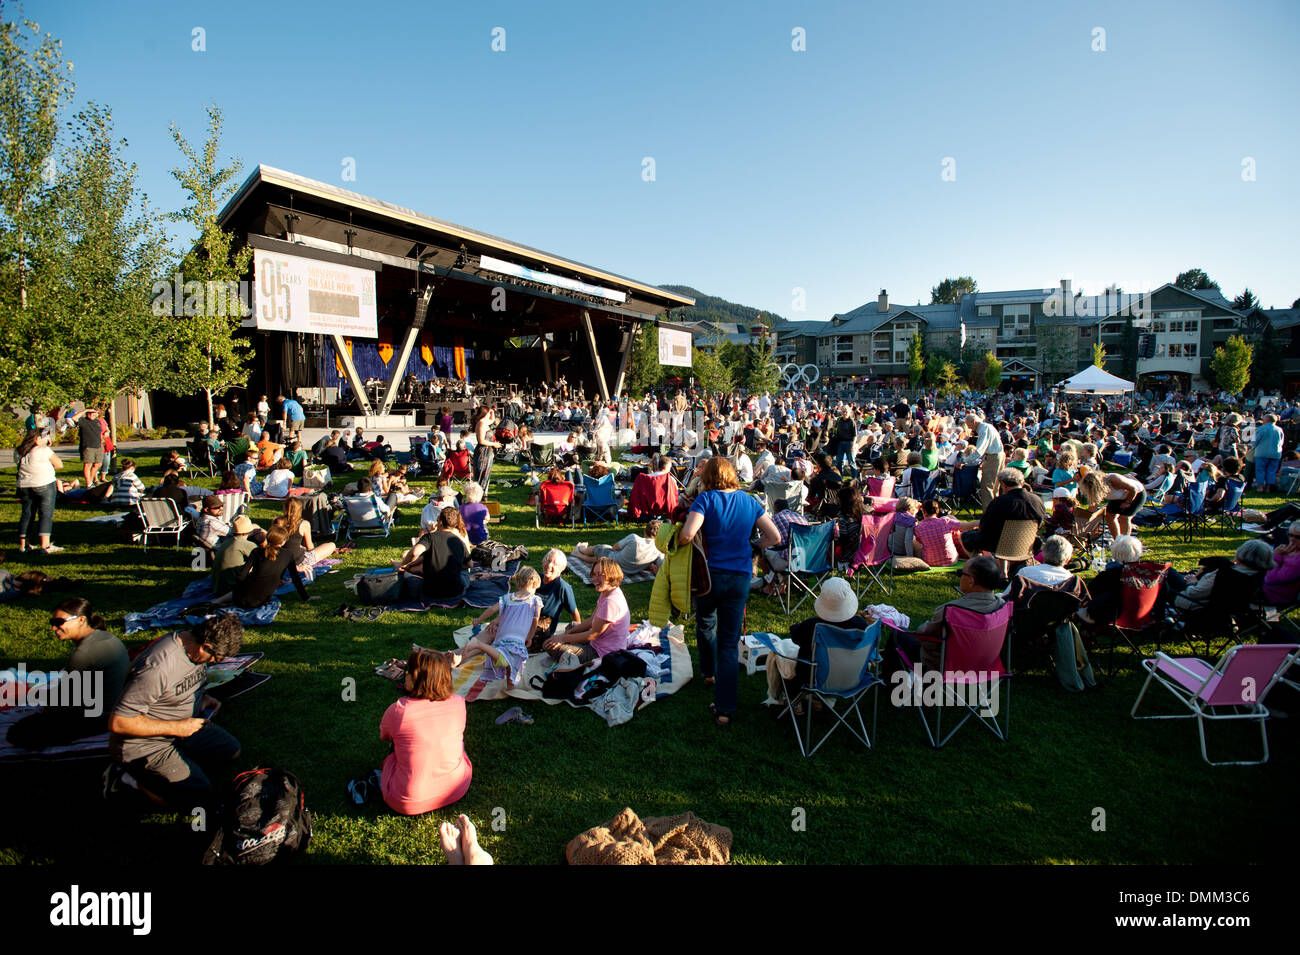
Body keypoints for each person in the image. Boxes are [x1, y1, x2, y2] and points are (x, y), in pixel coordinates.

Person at [678, 457, 781, 725]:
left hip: (710, 575)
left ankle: (708, 672)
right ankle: (724, 707)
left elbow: (688, 534)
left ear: (708, 477)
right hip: (739, 577)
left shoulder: (706, 500)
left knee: (705, 623)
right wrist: (753, 547)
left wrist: (674, 539)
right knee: (728, 641)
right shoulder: (749, 501)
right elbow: (775, 537)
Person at [106, 615, 244, 809]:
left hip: (185, 727)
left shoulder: (194, 648)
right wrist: (177, 727)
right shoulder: (157, 667)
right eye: (215, 658)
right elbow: (118, 722)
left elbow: (186, 682)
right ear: (205, 646)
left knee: (231, 751)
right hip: (146, 744)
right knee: (199, 798)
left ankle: (178, 764)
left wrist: (202, 698)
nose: (213, 662)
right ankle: (125, 779)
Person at [6, 598, 130, 749]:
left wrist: (33, 696)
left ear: (81, 620)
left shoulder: (83, 654)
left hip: (99, 718)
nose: (54, 628)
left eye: (59, 622)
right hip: (116, 707)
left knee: (17, 733)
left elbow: (61, 699)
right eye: (52, 623)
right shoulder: (107, 637)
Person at [378, 648, 472, 816]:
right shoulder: (459, 702)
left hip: (406, 801)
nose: (405, 675)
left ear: (415, 679)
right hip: (458, 788)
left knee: (393, 754)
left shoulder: (399, 711)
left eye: (408, 672)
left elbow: (384, 736)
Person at [891, 555, 1005, 672]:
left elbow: (924, 634)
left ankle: (891, 685)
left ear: (971, 581)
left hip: (946, 666)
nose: (959, 577)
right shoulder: (1003, 607)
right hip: (986, 666)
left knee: (897, 634)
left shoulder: (952, 611)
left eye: (961, 573)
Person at [786, 577, 873, 714]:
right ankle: (819, 701)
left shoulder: (813, 626)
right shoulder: (862, 626)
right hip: (854, 677)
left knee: (786, 657)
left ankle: (795, 700)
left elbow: (795, 634)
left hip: (816, 680)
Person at [457, 567, 542, 685]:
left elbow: (492, 609)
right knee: (507, 661)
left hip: (502, 636)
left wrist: (479, 619)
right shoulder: (535, 600)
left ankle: (510, 687)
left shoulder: (508, 598)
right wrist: (530, 637)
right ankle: (479, 644)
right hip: (516, 639)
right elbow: (535, 622)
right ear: (533, 584)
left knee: (511, 665)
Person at [542, 557, 631, 664]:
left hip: (602, 653)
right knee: (572, 626)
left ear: (612, 575)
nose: (594, 578)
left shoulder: (611, 602)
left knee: (548, 646)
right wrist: (569, 634)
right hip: (596, 643)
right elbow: (591, 620)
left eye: (600, 574)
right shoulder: (607, 592)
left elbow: (593, 634)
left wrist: (563, 638)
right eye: (593, 574)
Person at [961, 468, 1046, 555]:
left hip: (999, 544)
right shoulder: (1037, 500)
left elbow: (985, 526)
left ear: (1003, 484)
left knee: (966, 536)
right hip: (1027, 542)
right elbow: (1039, 523)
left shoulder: (999, 502)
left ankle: (982, 565)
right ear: (1022, 482)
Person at [397, 507, 471, 601]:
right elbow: (469, 564)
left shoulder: (429, 538)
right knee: (464, 574)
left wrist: (404, 563)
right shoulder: (458, 541)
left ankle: (401, 567)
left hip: (430, 593)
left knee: (411, 579)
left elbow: (415, 552)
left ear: (440, 522)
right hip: (455, 594)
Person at [17, 428, 64, 554]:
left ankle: (23, 545)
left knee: (27, 514)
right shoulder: (43, 450)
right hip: (44, 483)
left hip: (24, 485)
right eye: (46, 437)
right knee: (45, 514)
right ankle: (45, 545)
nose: (48, 440)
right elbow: (59, 464)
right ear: (37, 439)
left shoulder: (20, 451)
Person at [570, 520, 664, 577]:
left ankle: (581, 549)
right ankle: (576, 554)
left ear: (645, 530)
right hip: (624, 570)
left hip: (613, 562)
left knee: (602, 548)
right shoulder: (659, 550)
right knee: (598, 559)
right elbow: (658, 570)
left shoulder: (634, 538)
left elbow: (614, 547)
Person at [914, 499, 977, 568]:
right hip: (951, 560)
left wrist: (915, 511)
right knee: (955, 531)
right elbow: (967, 526)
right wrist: (983, 521)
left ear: (923, 511)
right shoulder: (945, 521)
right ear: (938, 511)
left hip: (930, 561)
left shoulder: (918, 528)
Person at [535, 548, 581, 640]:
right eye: (547, 560)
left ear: (561, 569)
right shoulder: (535, 579)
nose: (549, 565)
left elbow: (575, 614)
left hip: (542, 631)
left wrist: (578, 636)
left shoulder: (562, 587)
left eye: (554, 564)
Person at [212, 516, 258, 596]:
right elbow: (262, 559)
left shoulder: (226, 542)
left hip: (217, 586)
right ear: (249, 531)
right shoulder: (247, 544)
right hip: (230, 588)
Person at [966, 413, 1005, 508]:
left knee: (987, 486)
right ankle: (995, 509)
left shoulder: (983, 430)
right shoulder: (988, 426)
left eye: (969, 425)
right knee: (995, 487)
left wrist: (964, 460)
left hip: (993, 457)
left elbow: (979, 451)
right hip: (998, 455)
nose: (969, 428)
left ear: (973, 422)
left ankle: (988, 512)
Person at [72, 407, 105, 486]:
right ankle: (88, 483)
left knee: (98, 464)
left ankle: (90, 480)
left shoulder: (97, 422)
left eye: (95, 413)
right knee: (88, 464)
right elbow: (74, 418)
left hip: (98, 446)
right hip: (88, 446)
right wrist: (86, 410)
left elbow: (99, 434)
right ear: (88, 413)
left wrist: (102, 444)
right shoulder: (83, 421)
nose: (93, 415)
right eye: (91, 413)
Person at [471, 406, 501, 492]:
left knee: (486, 475)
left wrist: (492, 411)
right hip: (483, 452)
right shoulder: (481, 423)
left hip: (488, 452)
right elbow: (481, 441)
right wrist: (494, 444)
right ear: (485, 413)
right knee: (482, 475)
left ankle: (484, 494)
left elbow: (492, 420)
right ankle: (480, 495)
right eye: (488, 413)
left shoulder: (485, 422)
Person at [1254, 413, 1284, 492]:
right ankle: (1268, 488)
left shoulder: (1261, 429)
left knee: (1260, 470)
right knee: (1272, 471)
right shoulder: (1279, 429)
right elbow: (1281, 442)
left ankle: (1260, 487)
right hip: (1275, 453)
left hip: (1262, 452)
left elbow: (1256, 440)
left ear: (1267, 420)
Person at [459, 481, 490, 545]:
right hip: (481, 537)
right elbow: (487, 519)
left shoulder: (460, 508)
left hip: (465, 537)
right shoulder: (483, 508)